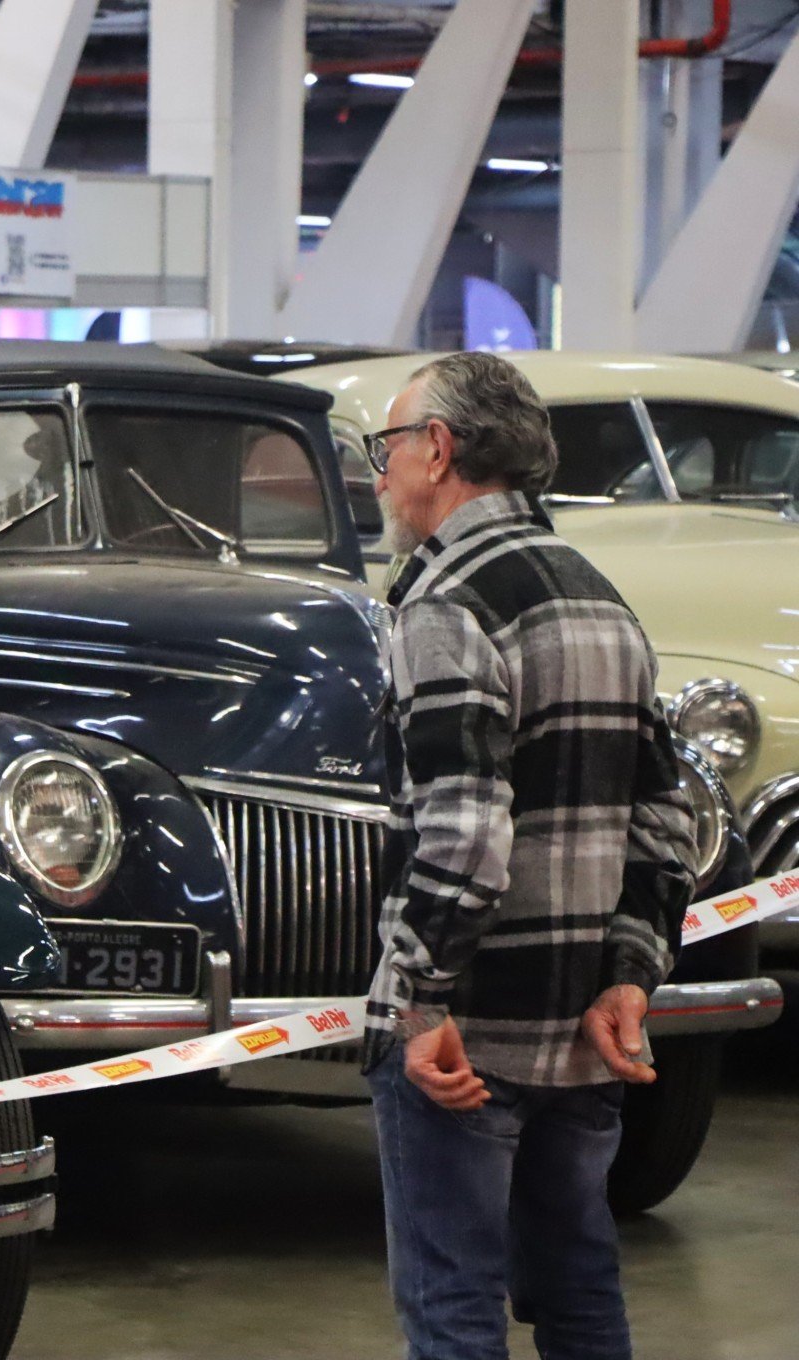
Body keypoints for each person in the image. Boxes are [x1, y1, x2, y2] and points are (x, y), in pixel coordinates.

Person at [362, 352, 698, 1360]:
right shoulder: (602, 598)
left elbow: (463, 832)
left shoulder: (446, 604)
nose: (379, 471)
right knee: (580, 1280)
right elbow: (664, 817)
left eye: (387, 445)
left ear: (439, 448)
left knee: (452, 1300)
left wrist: (420, 1001)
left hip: (468, 1033)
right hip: (583, 1028)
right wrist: (630, 976)